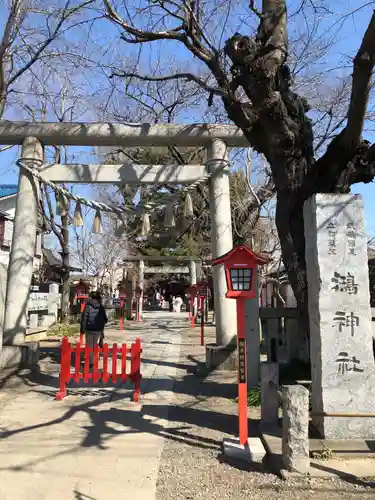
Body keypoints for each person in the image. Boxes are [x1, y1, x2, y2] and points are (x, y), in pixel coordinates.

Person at [81, 290, 108, 366]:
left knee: (90, 345)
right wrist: (100, 323)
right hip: (98, 330)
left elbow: (84, 318)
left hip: (89, 329)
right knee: (96, 344)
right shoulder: (101, 307)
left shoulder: (87, 306)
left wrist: (82, 329)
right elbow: (105, 319)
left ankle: (91, 362)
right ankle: (96, 359)